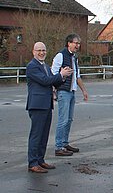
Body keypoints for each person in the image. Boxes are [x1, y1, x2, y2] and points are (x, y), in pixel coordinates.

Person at [26, 42, 72, 173]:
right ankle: (33, 163)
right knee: (36, 135)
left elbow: (52, 80)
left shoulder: (45, 66)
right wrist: (60, 74)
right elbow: (45, 81)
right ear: (33, 51)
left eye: (43, 50)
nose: (41, 53)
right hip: (37, 105)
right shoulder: (32, 66)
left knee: (44, 134)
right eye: (39, 50)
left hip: (47, 104)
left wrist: (63, 77)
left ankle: (40, 160)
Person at [51, 33, 89, 156]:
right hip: (63, 91)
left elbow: (77, 76)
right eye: (75, 43)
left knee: (69, 119)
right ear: (69, 43)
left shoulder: (74, 58)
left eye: (79, 43)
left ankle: (64, 143)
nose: (77, 45)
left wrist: (84, 90)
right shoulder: (60, 56)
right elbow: (53, 74)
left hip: (72, 91)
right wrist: (54, 90)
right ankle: (59, 146)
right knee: (63, 120)